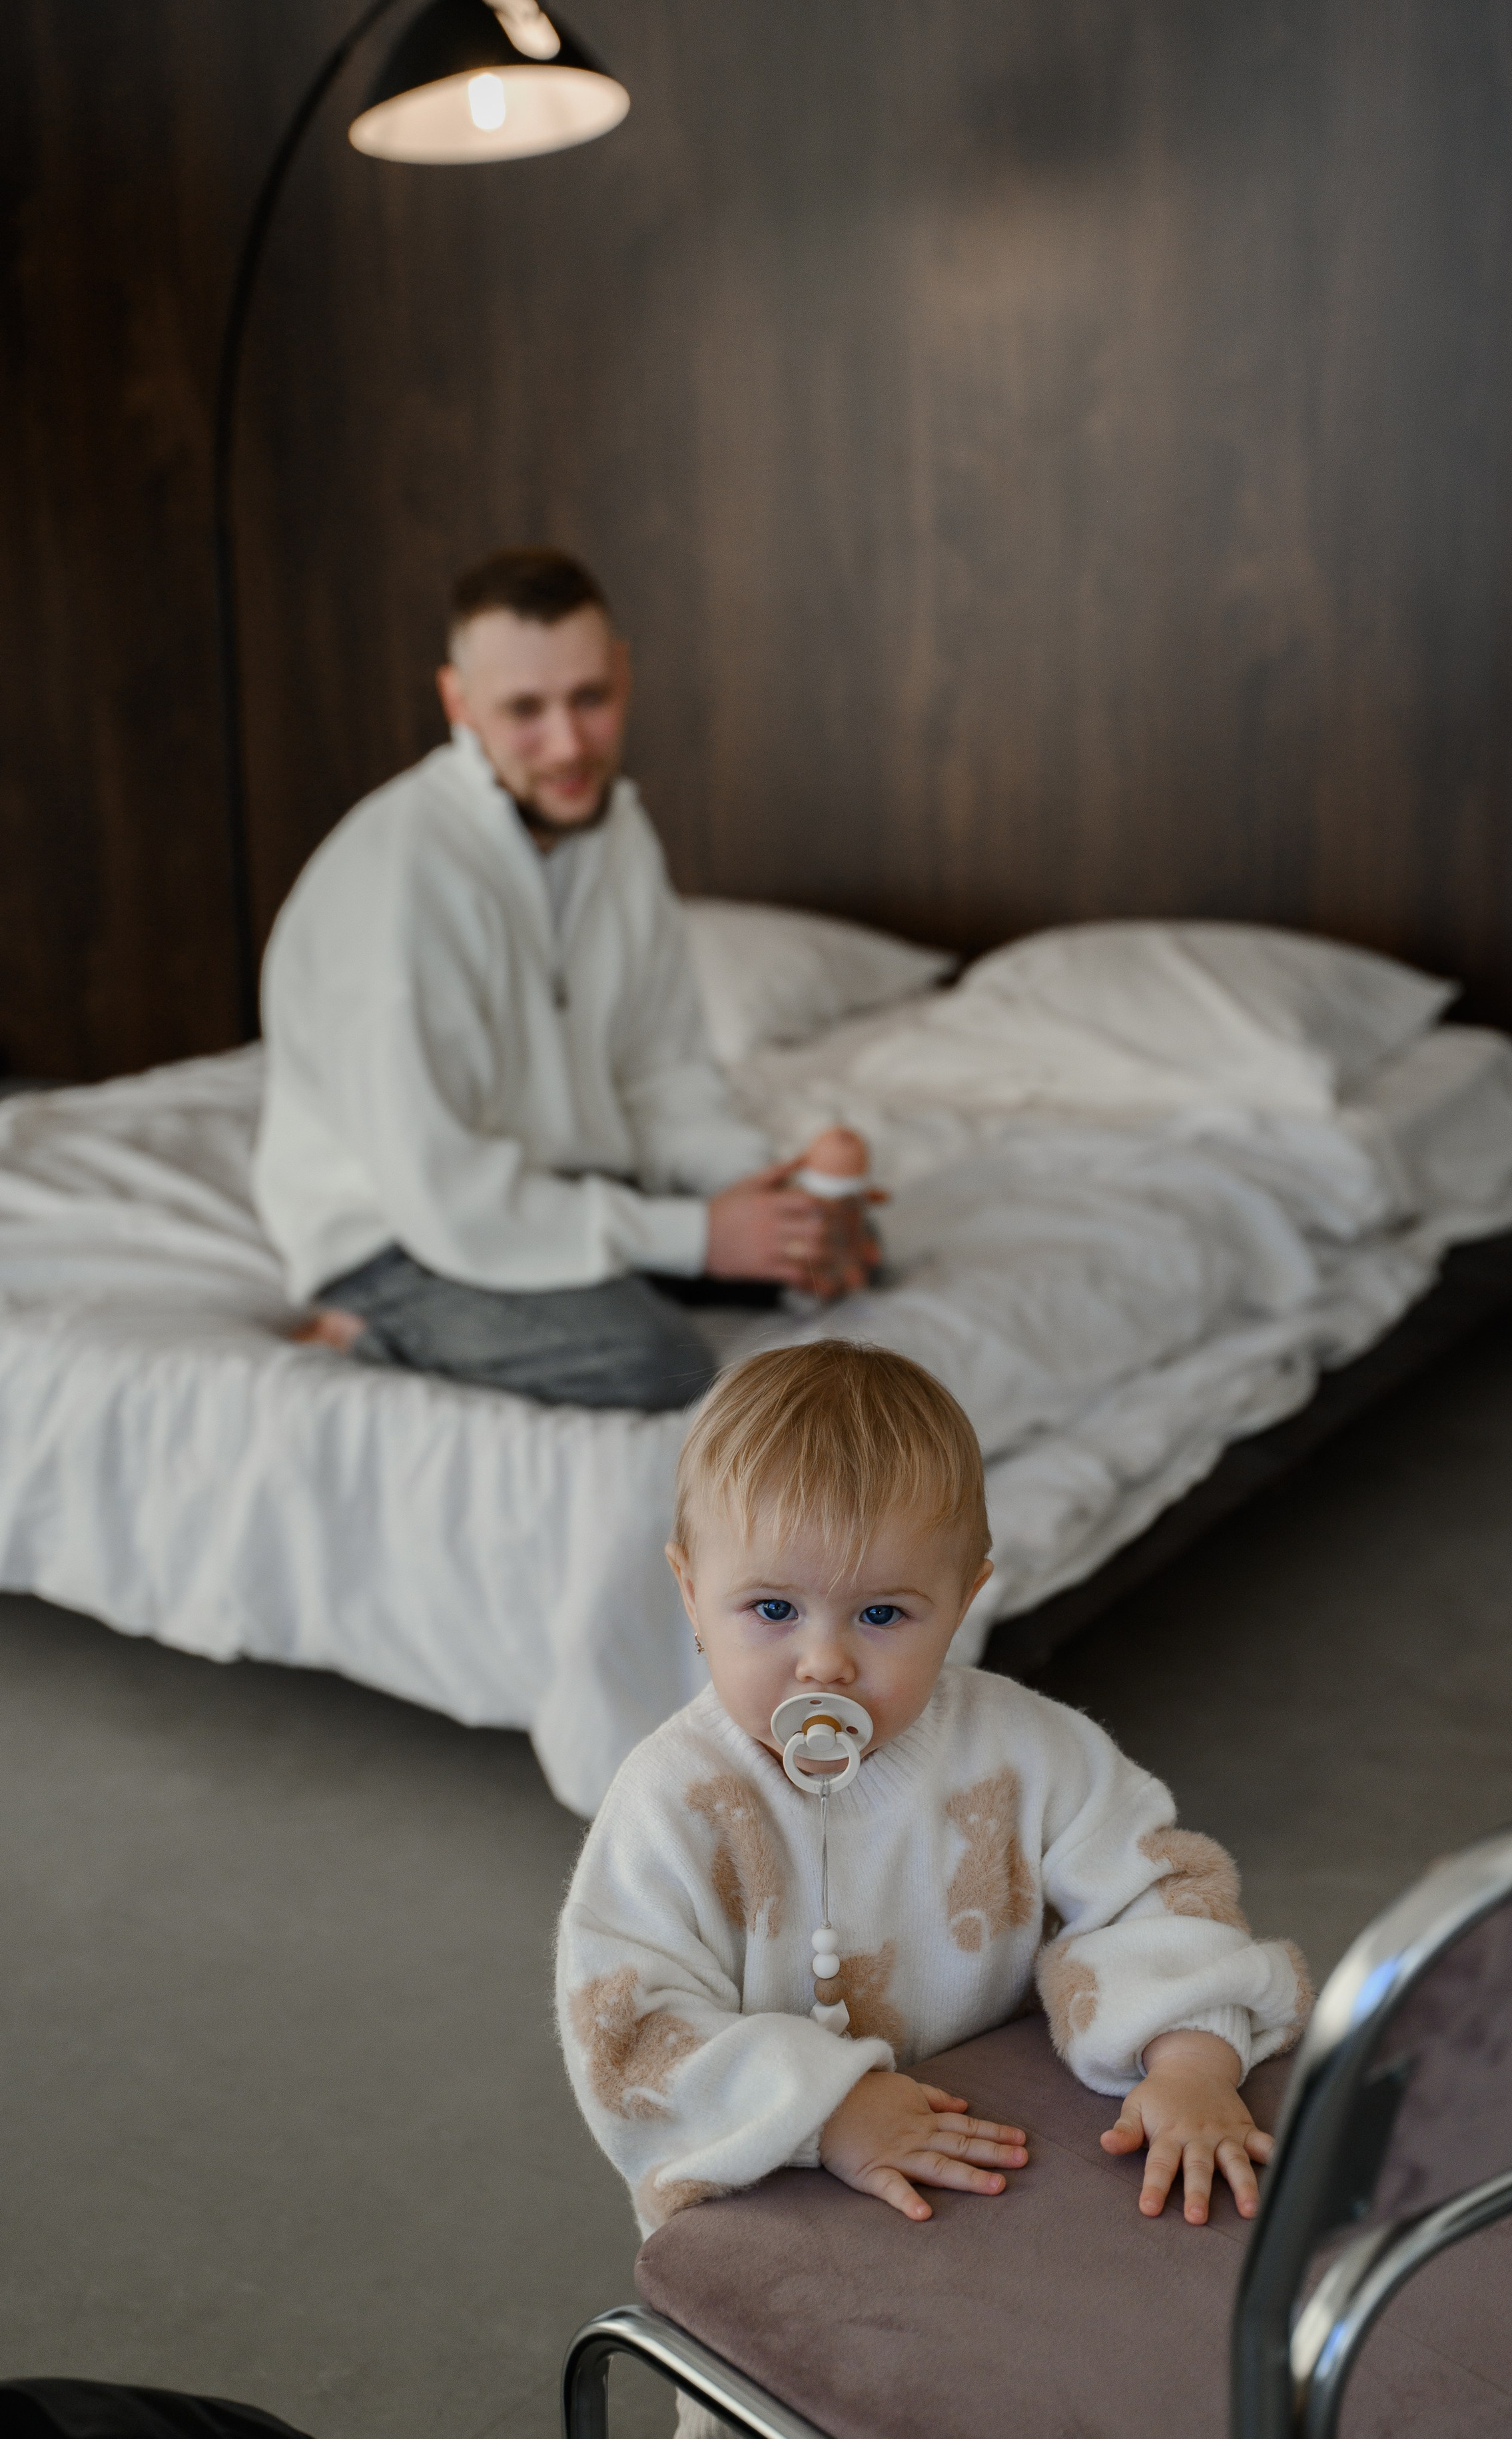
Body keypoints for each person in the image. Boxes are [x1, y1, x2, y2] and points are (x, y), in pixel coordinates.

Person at [556, 1341, 1310, 2264]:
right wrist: (825, 2111)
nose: (824, 1661)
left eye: (882, 1616)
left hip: (1001, 2181)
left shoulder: (1032, 1753)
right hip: (767, 2197)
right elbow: (629, 2033)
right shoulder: (674, 1802)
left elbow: (1157, 1892)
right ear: (690, 1590)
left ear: (961, 1601)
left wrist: (1192, 2058)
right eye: (770, 1609)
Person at [252, 548, 872, 1410]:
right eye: (525, 712)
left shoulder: (619, 834)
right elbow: (443, 1192)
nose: (569, 745)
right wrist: (694, 1237)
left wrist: (763, 1194)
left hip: (565, 1194)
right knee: (658, 1363)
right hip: (407, 1235)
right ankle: (363, 1333)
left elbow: (660, 1074)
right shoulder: (399, 885)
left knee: (835, 1260)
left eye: (590, 698)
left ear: (625, 672)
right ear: (459, 703)